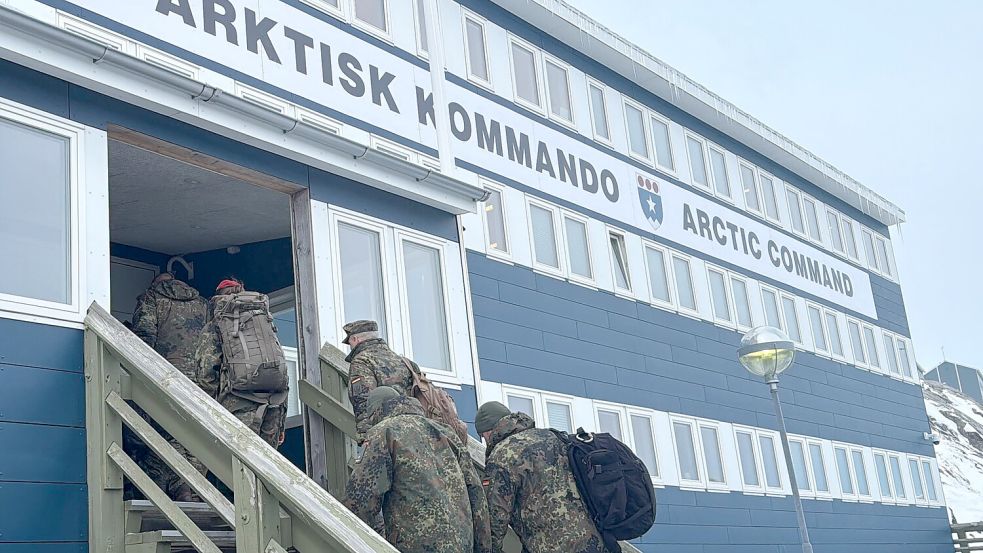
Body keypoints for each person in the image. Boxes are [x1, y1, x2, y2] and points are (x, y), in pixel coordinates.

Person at [343, 387, 492, 553]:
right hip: (463, 546)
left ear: (375, 412)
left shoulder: (383, 432)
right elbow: (477, 497)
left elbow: (360, 500)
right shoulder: (447, 433)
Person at [476, 402, 608, 553]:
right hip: (594, 542)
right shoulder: (552, 436)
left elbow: (494, 520)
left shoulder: (502, 456)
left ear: (487, 431)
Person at [128, 272, 208, 502]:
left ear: (156, 283)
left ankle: (170, 489)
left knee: (163, 434)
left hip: (166, 379)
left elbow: (144, 336)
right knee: (193, 436)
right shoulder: (202, 304)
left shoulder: (152, 298)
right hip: (200, 382)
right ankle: (190, 490)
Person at [194, 278, 287, 448]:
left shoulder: (217, 324)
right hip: (273, 406)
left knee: (236, 465)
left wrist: (208, 412)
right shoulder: (264, 320)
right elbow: (279, 365)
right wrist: (282, 421)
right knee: (268, 466)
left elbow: (206, 373)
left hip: (237, 405)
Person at [342, 320, 415, 443]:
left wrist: (366, 438)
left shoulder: (362, 361)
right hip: (411, 430)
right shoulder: (402, 361)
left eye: (350, 342)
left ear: (355, 339)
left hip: (385, 433)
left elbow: (363, 400)